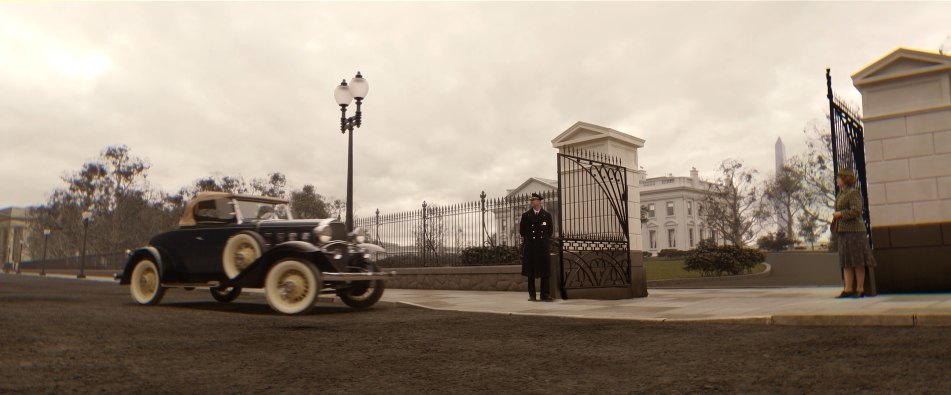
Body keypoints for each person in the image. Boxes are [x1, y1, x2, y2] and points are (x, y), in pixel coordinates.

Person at [832, 168, 876, 298]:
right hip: (843, 231)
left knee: (857, 260)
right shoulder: (840, 194)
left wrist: (841, 214)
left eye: (839, 177)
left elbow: (857, 210)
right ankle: (848, 288)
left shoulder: (853, 193)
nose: (837, 180)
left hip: (855, 231)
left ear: (845, 179)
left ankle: (860, 289)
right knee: (846, 261)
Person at [520, 192, 554, 302]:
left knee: (545, 271)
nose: (532, 202)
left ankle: (545, 294)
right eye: (531, 200)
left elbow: (550, 231)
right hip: (531, 247)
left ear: (539, 201)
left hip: (543, 247)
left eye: (534, 200)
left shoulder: (547, 215)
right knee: (531, 272)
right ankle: (532, 295)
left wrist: (543, 241)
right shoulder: (526, 216)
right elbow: (522, 231)